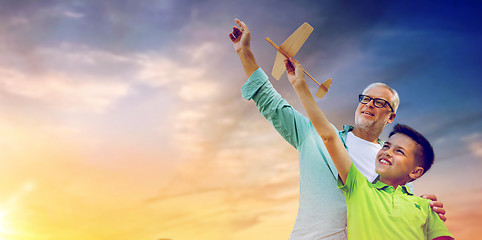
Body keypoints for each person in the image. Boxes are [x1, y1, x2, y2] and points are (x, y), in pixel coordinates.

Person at [229, 19, 447, 239]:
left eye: (380, 102)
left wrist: (427, 207)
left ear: (391, 117)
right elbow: (270, 101)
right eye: (366, 98)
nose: (369, 104)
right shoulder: (313, 135)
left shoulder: (391, 162)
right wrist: (244, 51)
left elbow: (402, 210)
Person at [285, 58, 453, 239]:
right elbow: (329, 137)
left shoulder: (424, 207)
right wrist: (300, 85)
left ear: (415, 172)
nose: (388, 151)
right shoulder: (359, 189)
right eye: (387, 146)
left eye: (399, 151)